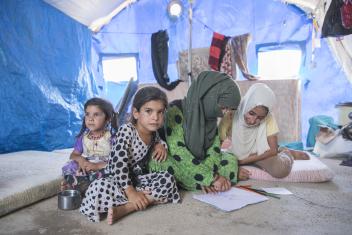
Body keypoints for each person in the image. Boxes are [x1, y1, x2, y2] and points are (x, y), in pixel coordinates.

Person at [80, 87, 180, 224]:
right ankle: (138, 199)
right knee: (97, 188)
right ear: (136, 113)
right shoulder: (126, 130)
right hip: (117, 178)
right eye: (148, 111)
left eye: (160, 112)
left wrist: (160, 145)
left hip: (137, 179)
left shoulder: (154, 133)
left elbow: (157, 139)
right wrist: (130, 191)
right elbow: (118, 163)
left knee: (168, 179)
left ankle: (127, 208)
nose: (155, 117)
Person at [148, 71, 250, 194]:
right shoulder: (174, 110)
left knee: (230, 159)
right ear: (209, 96)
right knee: (158, 163)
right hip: (177, 161)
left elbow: (214, 151)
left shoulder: (211, 117)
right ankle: (202, 181)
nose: (224, 113)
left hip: (199, 162)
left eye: (229, 109)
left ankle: (196, 181)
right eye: (223, 107)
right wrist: (212, 177)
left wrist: (208, 176)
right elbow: (179, 152)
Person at [220, 83, 309, 179]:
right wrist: (233, 166)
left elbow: (272, 150)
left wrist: (241, 162)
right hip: (237, 153)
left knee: (280, 170)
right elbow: (215, 148)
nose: (253, 121)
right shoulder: (230, 115)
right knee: (217, 164)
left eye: (260, 117)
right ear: (246, 105)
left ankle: (286, 152)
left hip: (260, 152)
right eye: (251, 113)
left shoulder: (269, 117)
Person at [61, 97, 118, 193]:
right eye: (87, 114)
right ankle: (77, 184)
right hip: (87, 166)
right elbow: (74, 155)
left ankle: (85, 185)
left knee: (114, 171)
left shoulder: (112, 137)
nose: (90, 119)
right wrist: (81, 159)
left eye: (96, 114)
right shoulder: (83, 137)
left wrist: (97, 166)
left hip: (104, 165)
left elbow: (118, 160)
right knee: (69, 165)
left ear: (107, 118)